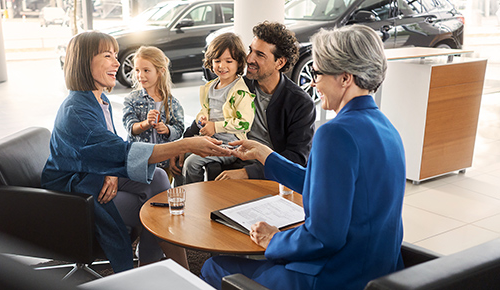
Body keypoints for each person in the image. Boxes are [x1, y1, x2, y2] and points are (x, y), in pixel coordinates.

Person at [200, 24, 406, 289]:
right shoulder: (388, 129)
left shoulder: (335, 133)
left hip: (334, 277)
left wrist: (274, 240)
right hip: (378, 271)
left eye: (319, 73)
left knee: (214, 265)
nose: (314, 82)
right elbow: (331, 185)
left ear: (345, 78)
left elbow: (323, 237)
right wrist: (268, 157)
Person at [41, 31, 230, 273]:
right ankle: (161, 273)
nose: (118, 63)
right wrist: (187, 145)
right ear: (84, 61)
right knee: (155, 211)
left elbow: (105, 148)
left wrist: (110, 170)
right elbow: (118, 150)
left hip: (93, 173)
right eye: (108, 55)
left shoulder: (99, 101)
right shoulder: (77, 110)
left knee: (161, 178)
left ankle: (151, 266)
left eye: (116, 55)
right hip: (75, 192)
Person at [172, 21, 316, 181]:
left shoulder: (300, 103)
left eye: (260, 55)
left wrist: (248, 173)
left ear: (280, 62)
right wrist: (183, 145)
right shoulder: (237, 84)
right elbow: (212, 113)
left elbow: (297, 158)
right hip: (231, 157)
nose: (249, 59)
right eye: (251, 50)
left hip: (266, 174)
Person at [176, 32, 255, 185]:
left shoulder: (240, 91)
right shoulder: (211, 87)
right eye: (217, 60)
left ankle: (194, 197)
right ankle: (178, 196)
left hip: (231, 145)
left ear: (239, 63)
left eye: (228, 61)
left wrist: (216, 127)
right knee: (181, 152)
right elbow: (206, 110)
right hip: (212, 140)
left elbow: (244, 123)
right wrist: (202, 119)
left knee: (192, 163)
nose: (222, 66)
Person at [122, 46, 184, 182]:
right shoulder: (131, 99)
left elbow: (179, 128)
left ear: (160, 71)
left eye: (146, 70)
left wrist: (168, 130)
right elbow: (130, 127)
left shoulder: (172, 102)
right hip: (141, 162)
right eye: (137, 70)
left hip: (165, 163)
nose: (140, 75)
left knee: (162, 195)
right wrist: (145, 124)